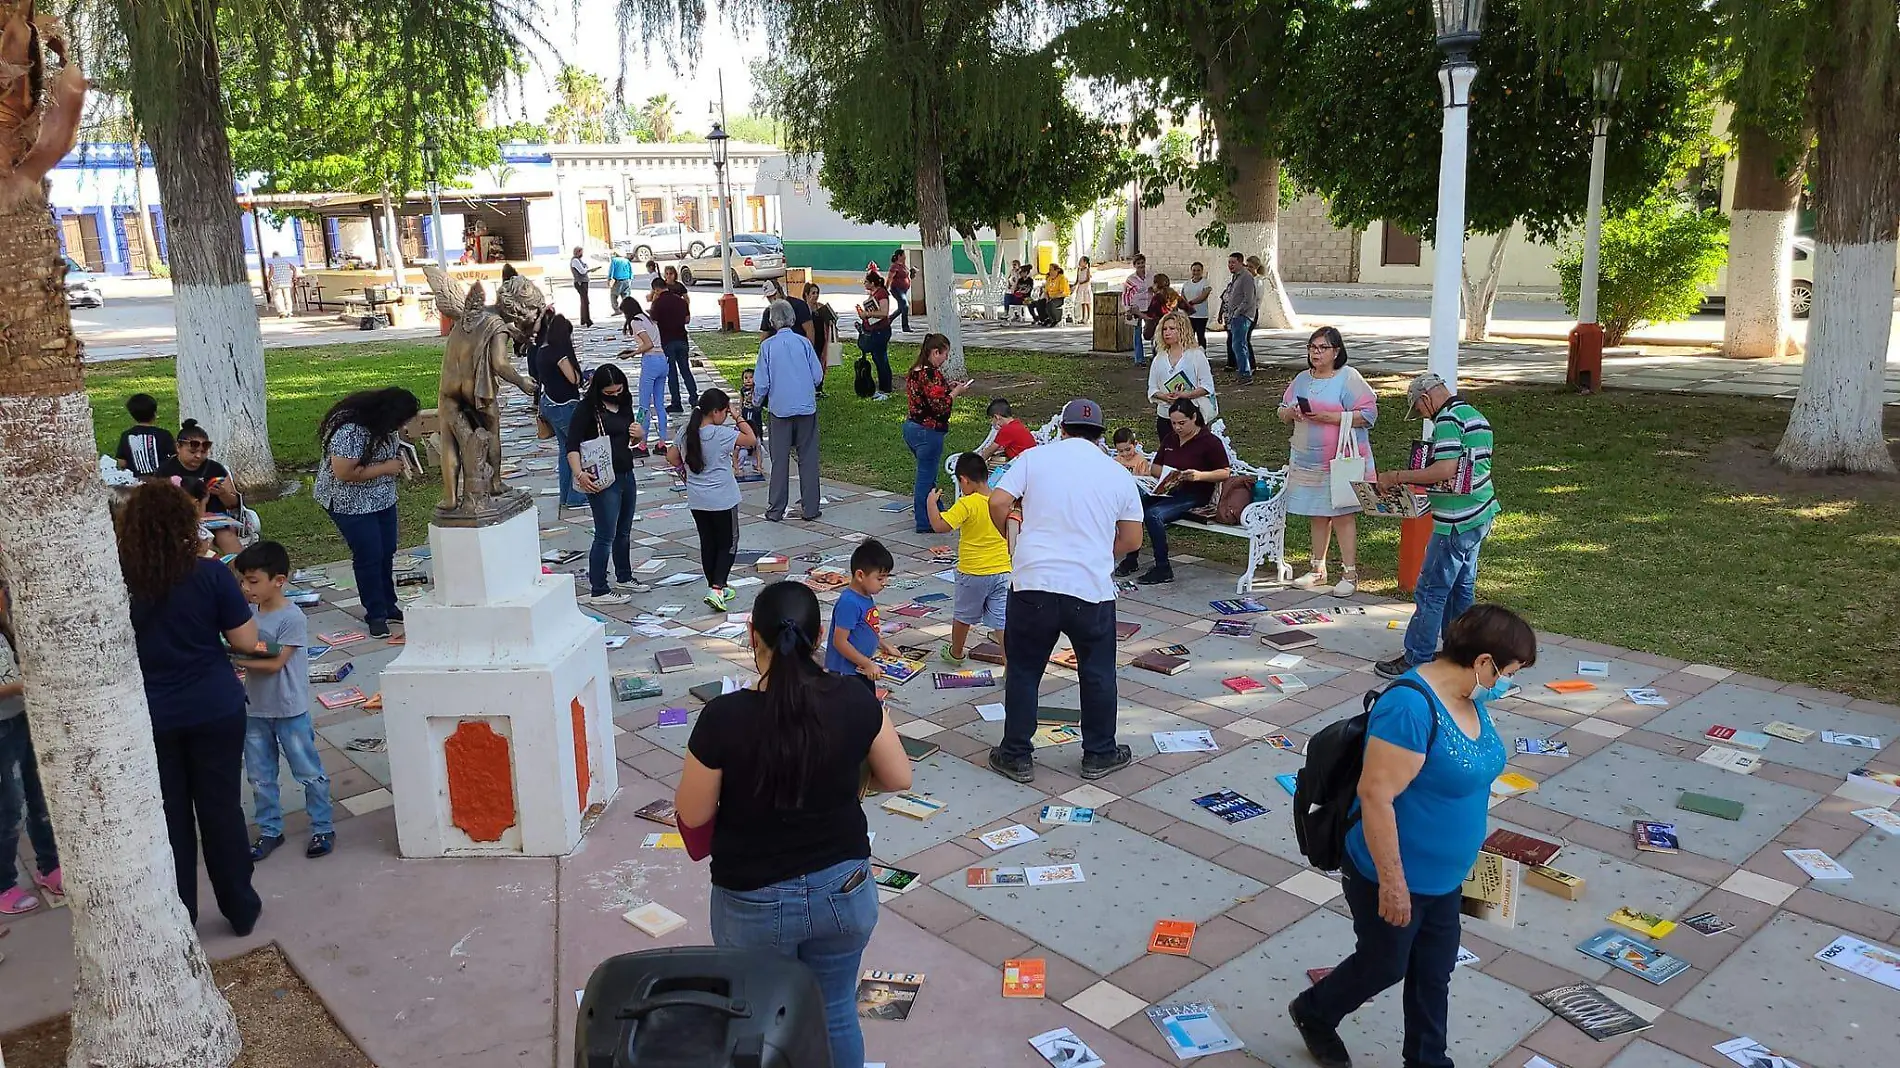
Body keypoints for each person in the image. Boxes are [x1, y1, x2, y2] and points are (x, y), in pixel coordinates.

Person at [675, 580, 911, 1068]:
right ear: (820, 635)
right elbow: (899, 777)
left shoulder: (722, 717)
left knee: (759, 1020)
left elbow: (694, 816)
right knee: (837, 1011)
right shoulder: (856, 697)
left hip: (752, 898)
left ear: (751, 634)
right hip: (845, 888)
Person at [1291, 605, 1533, 1068]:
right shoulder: (1410, 708)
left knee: (1433, 972)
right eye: (1509, 672)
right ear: (1483, 662)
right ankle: (1314, 1012)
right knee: (1386, 963)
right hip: (1394, 872)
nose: (1509, 683)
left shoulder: (1470, 696)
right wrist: (1393, 884)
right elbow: (1376, 797)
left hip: (1444, 876)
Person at [116, 481, 262, 934]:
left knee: (171, 816)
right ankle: (240, 908)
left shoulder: (118, 580)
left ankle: (181, 914)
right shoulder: (211, 574)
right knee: (221, 809)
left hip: (152, 712)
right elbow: (245, 641)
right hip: (213, 704)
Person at [985, 399, 1141, 783]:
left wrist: (1007, 532)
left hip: (1034, 582)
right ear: (1101, 436)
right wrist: (1103, 550)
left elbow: (998, 499)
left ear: (1063, 430)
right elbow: (1133, 538)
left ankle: (1016, 754)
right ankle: (1099, 753)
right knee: (1098, 672)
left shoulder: (1035, 458)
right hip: (1090, 587)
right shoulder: (1117, 473)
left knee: (1024, 670)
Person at [1375, 373, 1500, 680]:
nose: (1423, 415)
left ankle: (1416, 658)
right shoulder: (1474, 416)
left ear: (1426, 398)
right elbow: (1463, 473)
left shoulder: (1447, 421)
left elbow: (1445, 469)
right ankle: (1459, 655)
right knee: (1461, 589)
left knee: (1431, 590)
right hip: (1478, 513)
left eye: (1418, 409)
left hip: (1455, 523)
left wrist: (1397, 477)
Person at [231, 541, 333, 861]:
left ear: (279, 580)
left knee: (308, 771)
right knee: (260, 776)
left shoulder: (292, 618)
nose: (247, 588)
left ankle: (323, 826)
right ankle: (270, 830)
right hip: (255, 709)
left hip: (289, 709)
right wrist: (242, 652)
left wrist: (238, 656)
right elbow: (255, 651)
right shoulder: (247, 614)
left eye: (253, 581)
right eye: (243, 582)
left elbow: (275, 662)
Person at [1280, 326, 1378, 598]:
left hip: (1341, 457)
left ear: (1336, 351)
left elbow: (1369, 414)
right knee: (1317, 512)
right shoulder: (1301, 379)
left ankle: (1349, 572)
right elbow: (1282, 408)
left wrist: (1331, 418)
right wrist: (1290, 413)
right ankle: (1317, 568)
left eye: (1322, 348)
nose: (1316, 353)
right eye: (1312, 347)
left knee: (1343, 512)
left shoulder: (1348, 378)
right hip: (1308, 458)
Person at [313, 388, 419, 639]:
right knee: (369, 555)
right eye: (400, 421)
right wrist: (386, 467)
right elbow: (344, 473)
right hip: (349, 502)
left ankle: (388, 603)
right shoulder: (349, 431)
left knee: (387, 550)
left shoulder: (385, 428)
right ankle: (375, 613)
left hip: (382, 497)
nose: (401, 426)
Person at [1114, 399, 1232, 585]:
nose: (1177, 427)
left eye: (1182, 423)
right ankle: (1131, 558)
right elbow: (1155, 468)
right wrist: (1171, 475)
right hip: (1168, 489)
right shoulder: (1170, 438)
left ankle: (1163, 567)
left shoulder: (1209, 442)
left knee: (1153, 515)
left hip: (1194, 494)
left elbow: (1224, 472)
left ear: (1194, 418)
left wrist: (1198, 476)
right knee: (1134, 506)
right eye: (1173, 423)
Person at [667, 388, 756, 612]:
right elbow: (751, 439)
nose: (727, 416)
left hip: (697, 498)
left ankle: (717, 586)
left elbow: (671, 456)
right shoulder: (721, 433)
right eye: (725, 412)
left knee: (708, 542)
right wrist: (739, 416)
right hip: (722, 499)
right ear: (715, 412)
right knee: (727, 543)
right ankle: (717, 588)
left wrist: (682, 470)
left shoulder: (686, 432)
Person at [0, 590, 59, 916]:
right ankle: (4, 883)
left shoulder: (5, 628)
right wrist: (26, 683)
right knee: (10, 809)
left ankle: (49, 865)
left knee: (40, 797)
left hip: (22, 719)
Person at [567, 363, 643, 607]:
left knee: (624, 530)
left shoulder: (625, 402)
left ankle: (624, 576)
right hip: (601, 478)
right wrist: (579, 474)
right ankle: (599, 588)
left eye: (618, 390)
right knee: (605, 534)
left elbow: (629, 439)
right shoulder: (587, 409)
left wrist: (639, 435)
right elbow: (572, 445)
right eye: (609, 392)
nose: (614, 395)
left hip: (625, 472)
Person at [928, 452, 1010, 664]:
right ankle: (1010, 662)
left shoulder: (967, 503)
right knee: (1001, 621)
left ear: (964, 479)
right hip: (1002, 570)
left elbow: (939, 526)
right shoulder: (999, 500)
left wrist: (930, 503)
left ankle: (956, 653)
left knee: (963, 616)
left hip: (973, 571)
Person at [756, 299, 827, 523]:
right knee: (808, 458)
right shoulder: (804, 343)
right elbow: (817, 376)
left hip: (780, 409)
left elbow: (761, 383)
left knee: (779, 460)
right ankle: (811, 507)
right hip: (806, 407)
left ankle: (776, 509)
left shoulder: (767, 347)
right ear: (793, 319)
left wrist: (756, 402)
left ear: (772, 322)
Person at [902, 334, 971, 534]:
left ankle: (936, 510)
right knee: (925, 478)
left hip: (912, 427)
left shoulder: (915, 371)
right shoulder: (931, 374)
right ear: (935, 352)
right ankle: (925, 521)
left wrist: (946, 388)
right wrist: (956, 392)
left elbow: (927, 395)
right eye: (945, 354)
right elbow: (940, 407)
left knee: (928, 474)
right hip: (928, 431)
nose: (946, 359)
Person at [825, 539, 900, 689]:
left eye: (887, 577)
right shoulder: (849, 603)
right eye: (880, 578)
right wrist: (867, 663)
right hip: (846, 674)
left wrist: (885, 645)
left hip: (860, 668)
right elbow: (840, 642)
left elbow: (869, 627)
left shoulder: (865, 596)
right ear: (860, 575)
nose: (884, 582)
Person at [533, 314, 588, 508]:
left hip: (549, 403)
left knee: (565, 450)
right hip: (565, 405)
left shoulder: (542, 351)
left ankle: (565, 495)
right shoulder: (559, 354)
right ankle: (576, 496)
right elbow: (573, 379)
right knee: (576, 449)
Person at [1146, 309, 1217, 445]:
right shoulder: (1159, 358)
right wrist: (1164, 397)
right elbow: (1152, 388)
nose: (1167, 332)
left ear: (1183, 330)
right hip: (1166, 416)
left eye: (1172, 328)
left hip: (1191, 416)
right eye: (1165, 329)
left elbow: (1207, 386)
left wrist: (1187, 395)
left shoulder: (1196, 355)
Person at [155, 419, 242, 527]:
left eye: (203, 452)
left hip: (213, 519)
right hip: (177, 521)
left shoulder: (215, 469)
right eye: (192, 452)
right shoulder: (165, 470)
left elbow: (233, 504)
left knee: (227, 537)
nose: (198, 456)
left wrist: (222, 493)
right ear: (178, 447)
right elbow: (156, 502)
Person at [621, 295, 666, 453]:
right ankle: (662, 443)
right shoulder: (648, 318)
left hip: (651, 361)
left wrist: (632, 353)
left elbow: (648, 344)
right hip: (662, 359)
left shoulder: (635, 321)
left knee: (643, 406)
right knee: (660, 405)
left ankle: (642, 444)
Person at [649, 276, 697, 414]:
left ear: (656, 290)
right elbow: (687, 320)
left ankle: (676, 402)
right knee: (685, 370)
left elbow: (653, 322)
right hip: (682, 339)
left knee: (672, 373)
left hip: (667, 341)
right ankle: (694, 399)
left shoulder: (657, 304)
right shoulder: (680, 301)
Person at [1218, 251, 1259, 383]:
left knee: (1238, 345)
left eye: (1233, 262)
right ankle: (1244, 372)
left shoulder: (1246, 277)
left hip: (1242, 316)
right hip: (1234, 316)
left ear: (1241, 263)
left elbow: (1249, 299)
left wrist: (1237, 312)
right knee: (1239, 344)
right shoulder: (1236, 277)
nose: (1230, 265)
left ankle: (1245, 374)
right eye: (1229, 262)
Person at [855, 270, 895, 400]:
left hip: (880, 331)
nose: (864, 283)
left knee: (881, 359)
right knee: (878, 358)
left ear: (872, 283)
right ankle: (883, 387)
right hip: (874, 331)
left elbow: (884, 312)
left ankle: (886, 389)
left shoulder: (882, 293)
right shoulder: (874, 294)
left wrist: (868, 314)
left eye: (866, 281)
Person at [116, 393, 176, 477]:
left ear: (132, 415)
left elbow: (122, 463)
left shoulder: (126, 435)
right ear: (155, 414)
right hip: (161, 482)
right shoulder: (164, 435)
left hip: (136, 483)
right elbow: (174, 459)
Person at [974, 398, 1036, 464]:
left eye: (991, 419)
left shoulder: (1006, 429)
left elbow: (990, 451)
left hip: (1023, 463)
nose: (992, 422)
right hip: (1032, 459)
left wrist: (978, 462)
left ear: (996, 417)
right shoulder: (1017, 424)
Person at [1121, 254, 1153, 365]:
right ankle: (1139, 359)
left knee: (1152, 330)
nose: (1141, 265)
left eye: (1142, 263)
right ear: (1134, 265)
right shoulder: (1131, 279)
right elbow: (1125, 294)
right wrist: (1127, 308)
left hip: (1149, 306)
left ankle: (1156, 355)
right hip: (1136, 308)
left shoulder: (1150, 276)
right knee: (1137, 332)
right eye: (1138, 263)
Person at [736, 367, 767, 479]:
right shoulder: (742, 390)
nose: (748, 380)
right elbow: (740, 402)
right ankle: (738, 466)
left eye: (751, 377)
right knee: (743, 445)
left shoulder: (757, 390)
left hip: (755, 417)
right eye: (745, 378)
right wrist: (738, 414)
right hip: (745, 416)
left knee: (757, 443)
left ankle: (757, 464)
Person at [1180, 261, 1211, 347]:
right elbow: (1182, 295)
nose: (1196, 272)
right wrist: (1186, 306)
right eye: (1194, 270)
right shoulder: (1186, 283)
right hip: (1189, 315)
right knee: (1189, 336)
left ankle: (1202, 354)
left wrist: (1191, 302)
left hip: (1201, 315)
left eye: (1198, 270)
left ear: (1202, 271)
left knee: (1200, 336)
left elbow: (1203, 296)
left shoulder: (1205, 283)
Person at [569, 246, 598, 327]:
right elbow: (582, 271)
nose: (582, 254)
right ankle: (587, 320)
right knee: (585, 302)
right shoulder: (575, 260)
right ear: (578, 252)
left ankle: (583, 320)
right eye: (581, 252)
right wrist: (586, 268)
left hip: (582, 282)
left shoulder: (578, 260)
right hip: (581, 282)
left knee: (584, 301)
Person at [266, 250, 297, 318]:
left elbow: (271, 271)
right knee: (287, 297)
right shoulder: (286, 262)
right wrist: (294, 276)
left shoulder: (272, 262)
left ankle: (282, 312)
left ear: (273, 256)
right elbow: (294, 268)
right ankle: (289, 311)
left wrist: (269, 278)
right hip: (287, 282)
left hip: (277, 282)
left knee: (278, 297)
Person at [888, 249, 912, 332]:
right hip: (897, 289)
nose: (905, 257)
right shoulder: (894, 266)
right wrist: (885, 289)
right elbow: (889, 278)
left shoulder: (903, 266)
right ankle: (905, 327)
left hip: (904, 289)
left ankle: (889, 320)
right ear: (899, 256)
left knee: (901, 308)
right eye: (903, 255)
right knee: (905, 306)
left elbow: (906, 276)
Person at [1074, 256, 1093, 324]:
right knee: (1082, 302)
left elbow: (1088, 279)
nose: (1079, 262)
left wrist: (1081, 282)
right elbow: (1077, 279)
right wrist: (1075, 285)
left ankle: (1088, 318)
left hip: (1086, 288)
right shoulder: (1079, 269)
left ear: (1085, 262)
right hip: (1080, 288)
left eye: (1081, 261)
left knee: (1087, 302)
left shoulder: (1087, 269)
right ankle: (1082, 317)